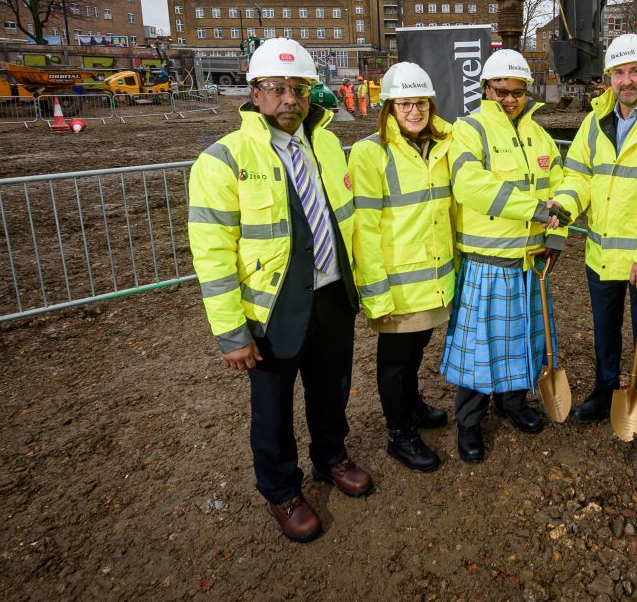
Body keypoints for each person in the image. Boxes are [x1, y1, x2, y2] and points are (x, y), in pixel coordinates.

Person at [187, 38, 372, 545]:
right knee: (272, 407)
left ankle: (330, 457)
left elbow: (348, 221)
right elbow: (212, 253)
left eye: (299, 88)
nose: (289, 98)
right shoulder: (224, 159)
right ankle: (281, 490)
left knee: (330, 390)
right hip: (272, 310)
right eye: (276, 88)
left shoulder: (329, 145)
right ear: (254, 91)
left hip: (332, 295)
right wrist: (231, 332)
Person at [551, 34, 637, 442]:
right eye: (619, 72)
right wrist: (563, 206)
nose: (626, 80)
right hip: (601, 254)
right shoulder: (595, 122)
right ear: (609, 78)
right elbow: (578, 175)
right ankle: (605, 389)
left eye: (634, 71)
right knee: (605, 329)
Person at [441, 49, 568, 463]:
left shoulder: (539, 134)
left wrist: (556, 236)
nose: (510, 99)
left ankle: (512, 403)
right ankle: (469, 421)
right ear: (486, 89)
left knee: (521, 339)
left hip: (530, 259)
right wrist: (532, 210)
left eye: (517, 91)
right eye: (501, 91)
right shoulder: (469, 130)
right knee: (480, 348)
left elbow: (560, 186)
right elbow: (468, 185)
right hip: (487, 261)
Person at [348, 62, 454, 473]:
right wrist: (375, 291)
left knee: (415, 351)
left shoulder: (442, 145)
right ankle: (399, 434)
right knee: (395, 360)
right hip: (396, 284)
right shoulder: (370, 153)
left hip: (433, 280)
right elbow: (365, 229)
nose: (414, 111)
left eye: (421, 103)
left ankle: (412, 406)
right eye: (405, 103)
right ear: (389, 108)